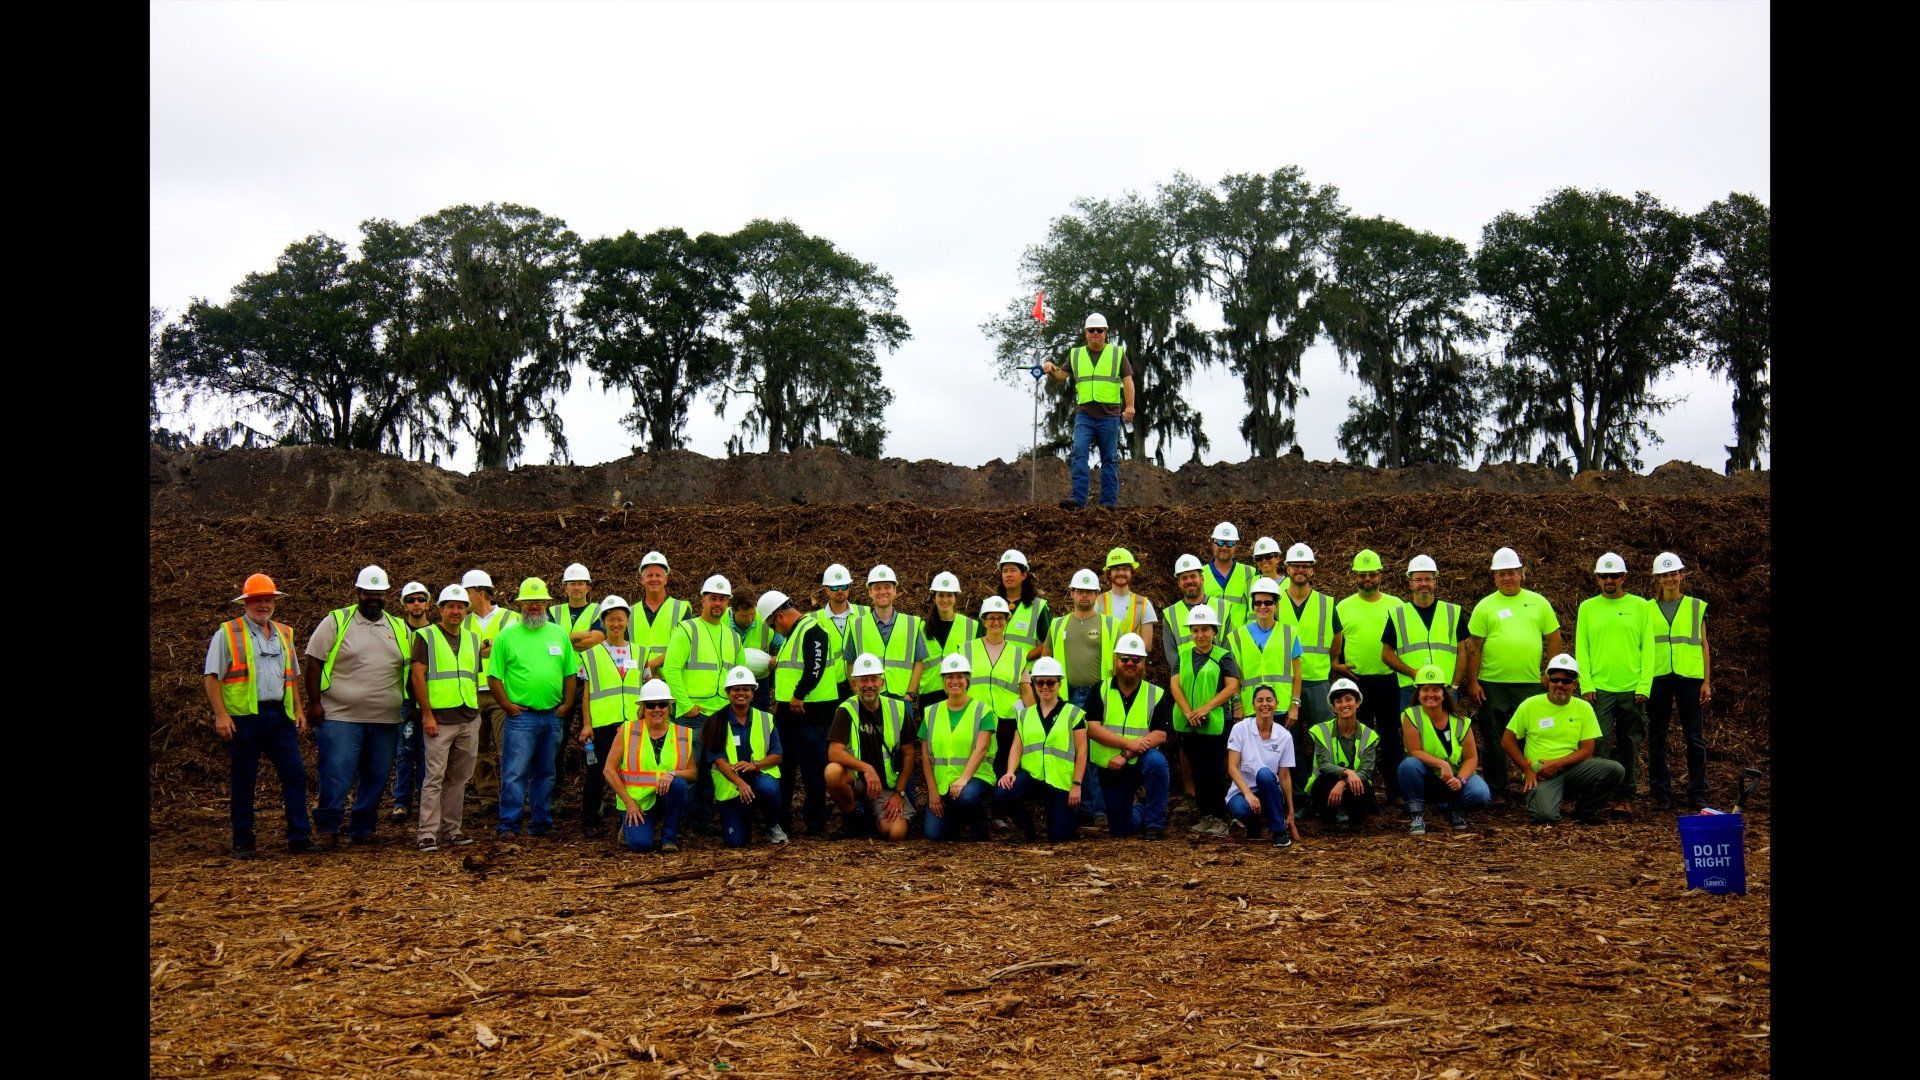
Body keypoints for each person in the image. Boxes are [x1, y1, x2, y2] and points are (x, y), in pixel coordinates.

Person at [203, 573, 312, 859]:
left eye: (268, 600)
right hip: (244, 718)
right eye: (257, 600)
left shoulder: (285, 633)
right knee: (244, 779)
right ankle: (243, 840)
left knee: (295, 775)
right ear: (246, 603)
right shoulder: (228, 633)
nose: (263, 605)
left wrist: (299, 709)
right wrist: (221, 715)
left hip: (280, 716)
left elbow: (293, 676)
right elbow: (212, 676)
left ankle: (299, 837)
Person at [304, 565, 410, 849]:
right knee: (337, 772)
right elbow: (314, 662)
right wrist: (314, 703)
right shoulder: (336, 621)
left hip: (387, 719)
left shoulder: (398, 627)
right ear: (358, 593)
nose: (373, 598)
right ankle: (328, 828)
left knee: (376, 776)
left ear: (387, 595)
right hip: (341, 716)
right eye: (368, 593)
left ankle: (362, 828)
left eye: (379, 594)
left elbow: (411, 669)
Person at [1461, 547, 1565, 805]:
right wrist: (1473, 682)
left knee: (1531, 735)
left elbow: (1553, 638)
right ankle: (1498, 790)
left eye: (1512, 573)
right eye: (1501, 574)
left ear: (1521, 574)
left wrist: (1549, 672)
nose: (1507, 578)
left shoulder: (1538, 602)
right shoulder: (1485, 606)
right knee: (1494, 736)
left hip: (1529, 683)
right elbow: (1474, 646)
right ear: (1494, 577)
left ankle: (1533, 783)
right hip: (1493, 684)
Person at [487, 577, 579, 838]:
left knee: (546, 773)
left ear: (547, 603)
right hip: (521, 718)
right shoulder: (507, 636)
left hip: (551, 716)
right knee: (515, 773)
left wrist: (567, 704)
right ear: (520, 605)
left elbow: (570, 673)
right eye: (529, 602)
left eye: (539, 601)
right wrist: (507, 706)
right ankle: (509, 825)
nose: (534, 606)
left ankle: (541, 823)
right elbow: (494, 676)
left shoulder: (558, 633)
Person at [663, 574, 745, 835]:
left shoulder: (733, 637)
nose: (717, 603)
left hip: (720, 714)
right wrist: (686, 705)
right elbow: (671, 668)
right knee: (689, 773)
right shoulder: (687, 630)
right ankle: (679, 823)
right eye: (713, 598)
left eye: (722, 599)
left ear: (728, 603)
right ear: (703, 600)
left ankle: (703, 822)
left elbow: (738, 674)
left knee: (712, 774)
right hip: (693, 715)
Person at [1500, 655, 1624, 825]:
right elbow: (1507, 741)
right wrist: (1526, 769)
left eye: (1566, 681)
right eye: (1555, 679)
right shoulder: (1530, 705)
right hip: (1540, 774)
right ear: (1547, 681)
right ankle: (1541, 798)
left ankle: (1584, 812)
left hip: (1573, 769)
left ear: (1575, 684)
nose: (1560, 685)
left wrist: (1557, 764)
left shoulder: (1584, 708)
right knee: (1545, 817)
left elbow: (1587, 750)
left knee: (1614, 769)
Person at [409, 583, 483, 852]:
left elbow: (472, 677)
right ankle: (427, 832)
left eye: (461, 607)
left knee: (460, 778)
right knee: (434, 777)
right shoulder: (426, 637)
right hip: (439, 721)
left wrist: (475, 714)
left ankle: (452, 828)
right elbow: (417, 676)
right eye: (451, 606)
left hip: (467, 717)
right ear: (440, 609)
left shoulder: (472, 639)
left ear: (466, 611)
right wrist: (426, 714)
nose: (456, 611)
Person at [1576, 553, 1649, 815]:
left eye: (1615, 576)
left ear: (1624, 577)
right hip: (1600, 689)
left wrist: (1644, 686)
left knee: (1630, 743)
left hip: (1632, 688)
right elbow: (1581, 648)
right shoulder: (1587, 608)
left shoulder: (1641, 606)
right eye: (1604, 576)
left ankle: (1626, 796)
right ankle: (1600, 795)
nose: (1609, 580)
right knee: (1600, 743)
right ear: (1596, 578)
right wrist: (1586, 684)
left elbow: (1648, 648)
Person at [1040, 311, 1136, 509]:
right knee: (1078, 453)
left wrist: (1130, 406)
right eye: (1091, 330)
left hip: (1109, 415)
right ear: (1085, 332)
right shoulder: (1076, 354)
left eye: (1099, 330)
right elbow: (1061, 376)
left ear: (1106, 332)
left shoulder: (1117, 353)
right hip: (1085, 414)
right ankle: (1078, 499)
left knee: (1109, 458)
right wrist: (1051, 369)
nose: (1095, 333)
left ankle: (1108, 502)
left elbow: (1128, 381)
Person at [1046, 568, 1120, 823]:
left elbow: (1121, 662)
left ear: (1097, 594)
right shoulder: (1058, 625)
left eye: (1090, 591)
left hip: (1098, 695)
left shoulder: (1110, 624)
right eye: (1080, 591)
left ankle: (1099, 809)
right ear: (1072, 593)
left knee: (1098, 751)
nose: (1085, 595)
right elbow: (1047, 659)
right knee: (1075, 752)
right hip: (1066, 695)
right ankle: (1081, 807)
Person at [1640, 552, 1712, 811]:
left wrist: (1706, 682)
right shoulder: (1645, 608)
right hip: (1658, 676)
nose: (1670, 579)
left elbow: (1704, 645)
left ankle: (1698, 792)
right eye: (1664, 575)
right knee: (1657, 736)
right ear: (1656, 579)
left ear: (1682, 575)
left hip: (1689, 677)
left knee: (1694, 737)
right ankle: (1661, 793)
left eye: (1674, 574)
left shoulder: (1695, 606)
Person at [1084, 632, 1174, 839]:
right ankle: (1140, 811)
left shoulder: (1156, 693)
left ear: (1143, 663)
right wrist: (1128, 743)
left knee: (1158, 763)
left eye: (1136, 659)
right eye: (1125, 659)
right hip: (1111, 766)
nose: (1130, 663)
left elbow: (1160, 735)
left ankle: (1155, 823)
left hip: (1141, 759)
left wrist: (1126, 753)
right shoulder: (1100, 689)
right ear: (1116, 661)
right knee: (1120, 829)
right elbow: (1092, 728)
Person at [1332, 549, 1406, 799]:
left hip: (1389, 680)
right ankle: (1363, 790)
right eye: (1362, 575)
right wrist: (1337, 665)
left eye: (1372, 575)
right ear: (1354, 576)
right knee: (1358, 740)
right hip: (1357, 683)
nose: (1367, 580)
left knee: (1390, 737)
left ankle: (1395, 790)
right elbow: (1335, 642)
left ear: (1380, 575)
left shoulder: (1397, 606)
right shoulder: (1343, 607)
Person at [765, 590, 838, 838]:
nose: (775, 631)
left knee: (813, 771)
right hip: (789, 713)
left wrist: (798, 694)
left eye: (773, 625)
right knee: (785, 768)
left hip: (810, 712)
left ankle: (815, 823)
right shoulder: (793, 635)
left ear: (780, 616)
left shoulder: (813, 630)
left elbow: (814, 667)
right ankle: (783, 819)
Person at [994, 657, 1090, 842]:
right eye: (1040, 682)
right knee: (1002, 793)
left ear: (1059, 684)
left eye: (1050, 682)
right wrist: (1010, 772)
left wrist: (1076, 785)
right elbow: (1017, 745)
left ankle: (1072, 816)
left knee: (1059, 838)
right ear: (1034, 684)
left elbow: (1082, 751)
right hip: (1033, 777)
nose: (1045, 687)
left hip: (1061, 781)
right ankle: (1026, 829)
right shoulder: (1024, 715)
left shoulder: (1073, 713)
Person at [826, 653, 916, 841]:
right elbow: (834, 752)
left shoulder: (898, 709)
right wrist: (867, 768)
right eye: (863, 680)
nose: (869, 685)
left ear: (881, 683)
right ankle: (853, 820)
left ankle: (870, 816)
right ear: (854, 684)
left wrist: (899, 793)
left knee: (896, 834)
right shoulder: (845, 710)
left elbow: (909, 754)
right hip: (857, 781)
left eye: (874, 679)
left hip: (886, 786)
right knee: (832, 772)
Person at [1169, 604, 1241, 838]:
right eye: (1196, 630)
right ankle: (1205, 814)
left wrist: (1206, 708)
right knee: (1197, 770)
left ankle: (1219, 816)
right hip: (1189, 723)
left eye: (1205, 630)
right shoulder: (1183, 654)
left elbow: (1232, 685)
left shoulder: (1223, 656)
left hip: (1215, 722)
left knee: (1214, 770)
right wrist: (1189, 711)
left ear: (1214, 631)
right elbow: (1175, 685)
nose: (1200, 635)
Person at [576, 594, 645, 839]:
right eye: (611, 620)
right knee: (598, 773)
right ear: (604, 622)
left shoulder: (639, 652)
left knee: (629, 772)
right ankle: (589, 821)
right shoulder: (591, 655)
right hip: (604, 724)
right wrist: (587, 724)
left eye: (620, 619)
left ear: (627, 621)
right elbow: (586, 693)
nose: (616, 624)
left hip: (632, 724)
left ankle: (624, 820)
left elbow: (646, 688)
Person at [1274, 543, 1340, 789]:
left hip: (1317, 681)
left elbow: (1337, 638)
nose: (1300, 570)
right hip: (1285, 684)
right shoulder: (1275, 600)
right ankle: (1299, 792)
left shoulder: (1326, 603)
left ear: (1312, 570)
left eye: (1305, 566)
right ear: (1287, 568)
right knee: (1289, 742)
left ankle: (1322, 789)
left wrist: (1331, 661)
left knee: (1323, 739)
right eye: (1295, 566)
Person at [1396, 665, 1491, 835]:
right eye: (1424, 689)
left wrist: (1460, 780)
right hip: (1428, 777)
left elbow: (1471, 758)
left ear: (1444, 693)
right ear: (1418, 693)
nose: (1430, 694)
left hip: (1453, 778)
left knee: (1481, 794)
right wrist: (1441, 764)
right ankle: (1417, 815)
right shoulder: (1411, 715)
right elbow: (1414, 751)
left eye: (1435, 690)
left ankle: (1457, 811)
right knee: (1408, 765)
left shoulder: (1460, 720)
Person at [603, 680, 697, 853]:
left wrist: (672, 773)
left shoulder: (682, 734)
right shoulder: (628, 730)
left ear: (669, 708)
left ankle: (669, 837)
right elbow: (608, 770)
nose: (657, 709)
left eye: (662, 704)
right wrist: (629, 803)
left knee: (679, 784)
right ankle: (631, 826)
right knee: (641, 845)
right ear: (643, 709)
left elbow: (693, 773)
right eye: (651, 705)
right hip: (636, 801)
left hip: (665, 797)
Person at [918, 653, 998, 842]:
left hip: (976, 778)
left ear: (967, 680)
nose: (955, 681)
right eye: (950, 677)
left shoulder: (983, 710)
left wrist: (963, 780)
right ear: (943, 681)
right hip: (943, 783)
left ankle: (980, 828)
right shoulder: (931, 712)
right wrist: (932, 792)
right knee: (933, 835)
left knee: (966, 797)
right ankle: (953, 822)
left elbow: (981, 748)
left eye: (960, 676)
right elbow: (925, 756)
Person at [705, 666, 787, 847]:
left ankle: (772, 824)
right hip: (732, 785)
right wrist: (740, 783)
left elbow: (777, 755)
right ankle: (743, 817)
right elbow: (719, 761)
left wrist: (755, 765)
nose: (741, 693)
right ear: (728, 692)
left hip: (759, 777)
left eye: (746, 689)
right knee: (736, 843)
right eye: (736, 689)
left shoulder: (766, 719)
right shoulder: (716, 721)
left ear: (753, 693)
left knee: (768, 788)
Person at [460, 568, 519, 798]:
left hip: (502, 692)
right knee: (478, 749)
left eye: (467, 592)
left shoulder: (510, 618)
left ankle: (510, 795)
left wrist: (488, 646)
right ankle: (488, 796)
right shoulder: (463, 622)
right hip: (472, 692)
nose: (463, 598)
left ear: (481, 592)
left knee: (508, 749)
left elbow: (513, 648)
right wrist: (485, 648)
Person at [1382, 555, 1467, 712]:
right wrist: (1413, 673)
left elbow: (1462, 652)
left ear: (1435, 582)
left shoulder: (1452, 612)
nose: (1424, 584)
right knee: (1413, 733)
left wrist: (1454, 685)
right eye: (1418, 580)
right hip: (1411, 688)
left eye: (1428, 579)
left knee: (1447, 734)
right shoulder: (1397, 615)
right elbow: (1386, 654)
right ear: (1411, 584)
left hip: (1445, 688)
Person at [843, 565, 928, 713]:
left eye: (887, 587)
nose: (883, 592)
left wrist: (910, 694)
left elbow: (919, 662)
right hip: (868, 698)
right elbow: (850, 662)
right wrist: (857, 691)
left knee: (902, 737)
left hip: (902, 699)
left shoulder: (911, 624)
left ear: (895, 591)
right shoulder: (857, 625)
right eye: (877, 588)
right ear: (870, 592)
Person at [1225, 685, 1301, 847]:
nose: (1264, 704)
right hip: (1242, 792)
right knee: (1241, 809)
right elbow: (1232, 767)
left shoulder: (1284, 736)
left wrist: (1291, 813)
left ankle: (1279, 831)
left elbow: (1285, 776)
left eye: (1269, 700)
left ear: (1277, 703)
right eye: (1260, 700)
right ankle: (1253, 825)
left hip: (1269, 791)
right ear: (1253, 705)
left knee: (1265, 774)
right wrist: (1248, 794)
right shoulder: (1240, 729)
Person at [1227, 576, 1304, 732]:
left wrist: (1295, 705)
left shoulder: (1289, 633)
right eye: (1258, 602)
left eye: (1268, 602)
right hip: (1250, 709)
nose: (1262, 606)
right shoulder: (1238, 636)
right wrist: (1237, 704)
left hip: (1281, 708)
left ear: (1276, 605)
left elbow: (1297, 674)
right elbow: (1234, 676)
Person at [969, 596, 1034, 777]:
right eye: (991, 618)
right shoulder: (967, 649)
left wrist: (1034, 721)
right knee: (978, 770)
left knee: (1002, 773)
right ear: (984, 621)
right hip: (976, 720)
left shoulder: (1018, 654)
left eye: (1001, 618)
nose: (996, 622)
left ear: (1007, 620)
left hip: (1006, 724)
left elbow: (1026, 690)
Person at [387, 580, 435, 825]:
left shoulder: (436, 633)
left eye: (420, 599)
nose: (416, 604)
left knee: (429, 755)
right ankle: (401, 803)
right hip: (404, 702)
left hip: (430, 702)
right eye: (410, 600)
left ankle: (426, 803)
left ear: (428, 603)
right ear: (404, 605)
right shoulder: (397, 632)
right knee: (405, 753)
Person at [1304, 679, 1379, 830]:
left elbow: (1366, 771)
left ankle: (1356, 821)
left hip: (1354, 785)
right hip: (1327, 784)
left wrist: (1343, 782)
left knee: (1360, 785)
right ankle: (1328, 818)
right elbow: (1324, 765)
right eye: (1338, 701)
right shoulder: (1322, 731)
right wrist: (1347, 772)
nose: (1344, 704)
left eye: (1348, 699)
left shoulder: (1369, 735)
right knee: (1324, 781)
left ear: (1357, 703)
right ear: (1333, 707)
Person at [918, 572, 977, 717]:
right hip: (930, 695)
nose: (945, 600)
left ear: (956, 598)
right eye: (941, 595)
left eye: (949, 595)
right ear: (934, 597)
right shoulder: (921, 628)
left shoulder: (972, 627)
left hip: (960, 693)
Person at [815, 562, 865, 695]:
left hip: (862, 682)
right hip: (830, 687)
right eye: (835, 587)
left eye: (844, 586)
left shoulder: (865, 614)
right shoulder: (814, 620)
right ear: (826, 590)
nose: (840, 590)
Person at [1098, 548, 1158, 657]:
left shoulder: (1144, 604)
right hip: (1104, 670)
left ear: (1131, 573)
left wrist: (1126, 658)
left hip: (1132, 667)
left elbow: (1147, 646)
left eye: (1125, 569)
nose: (1121, 573)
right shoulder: (1097, 602)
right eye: (1116, 569)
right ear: (1109, 573)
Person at [1202, 522, 1257, 635]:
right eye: (1220, 542)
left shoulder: (1249, 573)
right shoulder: (1201, 574)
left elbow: (1254, 610)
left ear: (1235, 547)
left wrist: (1250, 636)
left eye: (1229, 543)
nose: (1224, 547)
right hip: (1210, 642)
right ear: (1213, 545)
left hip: (1240, 641)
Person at [995, 550, 1052, 660]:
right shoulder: (992, 605)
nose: (1008, 575)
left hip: (1026, 673)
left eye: (1013, 570)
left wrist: (1022, 659)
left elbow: (1049, 642)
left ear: (1024, 575)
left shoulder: (1038, 607)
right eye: (1004, 571)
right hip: (996, 672)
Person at [1159, 554, 1208, 670]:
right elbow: (1171, 653)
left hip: (1217, 678)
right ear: (1179, 583)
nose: (1189, 581)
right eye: (1184, 578)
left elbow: (1227, 648)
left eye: (1193, 576)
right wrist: (1189, 674)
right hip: (1185, 679)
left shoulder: (1221, 607)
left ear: (1202, 579)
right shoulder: (1170, 614)